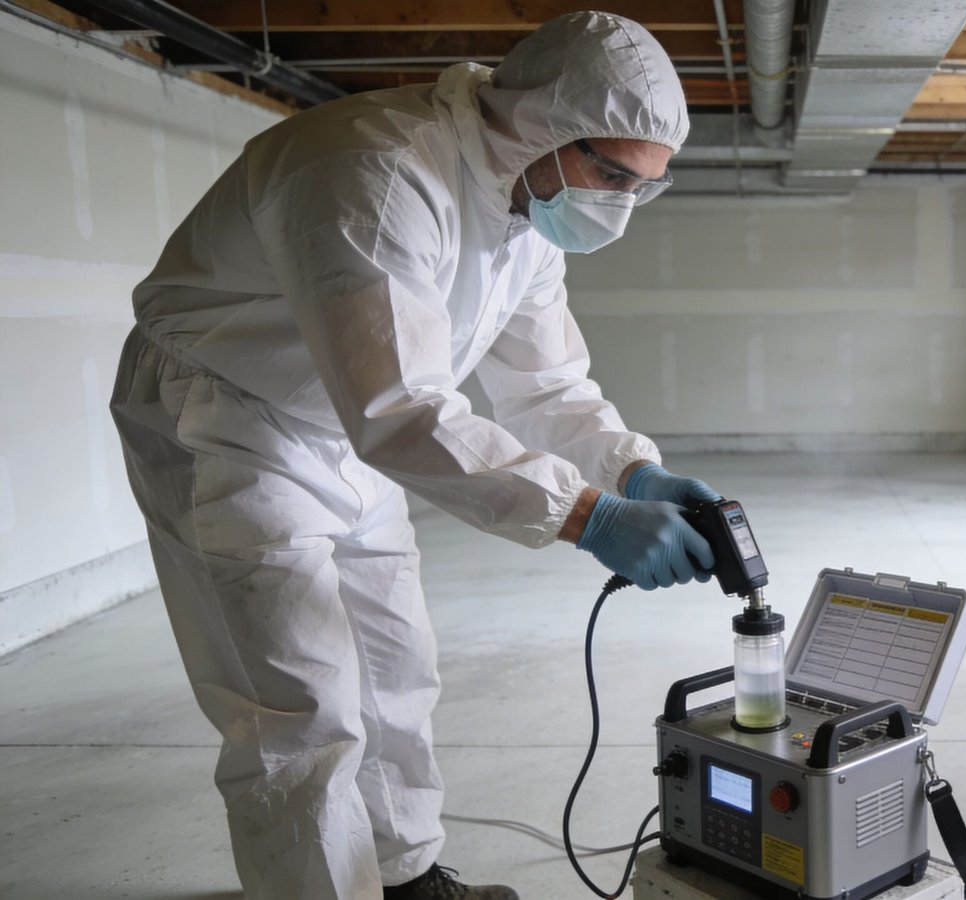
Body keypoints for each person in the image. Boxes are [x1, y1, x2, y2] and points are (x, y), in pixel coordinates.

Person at [109, 12, 715, 899]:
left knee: (397, 670)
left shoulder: (527, 207)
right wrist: (588, 515)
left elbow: (546, 386)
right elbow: (401, 408)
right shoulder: (377, 171)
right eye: (612, 174)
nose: (619, 204)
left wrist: (630, 470)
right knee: (299, 711)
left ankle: (405, 879)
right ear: (546, 129)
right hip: (228, 419)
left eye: (642, 186)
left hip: (346, 428)